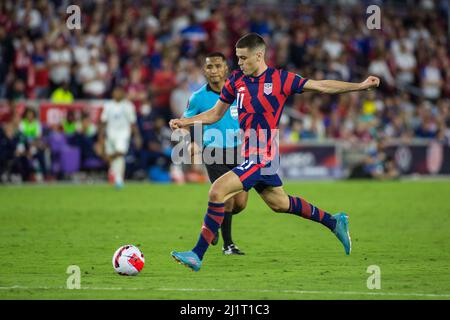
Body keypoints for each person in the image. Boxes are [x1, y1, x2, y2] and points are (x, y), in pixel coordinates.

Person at [169, 33, 380, 271]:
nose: (238, 63)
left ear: (259, 55)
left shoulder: (281, 79)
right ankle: (334, 222)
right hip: (249, 153)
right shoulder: (236, 80)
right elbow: (215, 114)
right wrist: (185, 122)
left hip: (263, 155)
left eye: (243, 58)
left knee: (217, 191)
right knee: (279, 203)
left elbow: (321, 86)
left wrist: (360, 86)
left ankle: (197, 254)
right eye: (237, 58)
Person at [182, 52, 248, 255]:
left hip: (240, 151)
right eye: (209, 67)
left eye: (217, 66)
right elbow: (187, 121)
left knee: (240, 204)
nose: (213, 71)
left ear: (226, 69)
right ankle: (228, 245)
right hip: (214, 152)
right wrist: (191, 142)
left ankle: (214, 221)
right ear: (204, 70)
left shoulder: (240, 92)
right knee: (226, 198)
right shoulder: (198, 98)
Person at [99, 86, 141, 189]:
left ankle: (116, 176)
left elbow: (133, 123)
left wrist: (137, 136)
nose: (117, 94)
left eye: (119, 92)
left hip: (123, 134)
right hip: (110, 134)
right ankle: (116, 177)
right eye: (115, 91)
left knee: (120, 152)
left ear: (123, 93)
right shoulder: (108, 105)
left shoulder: (128, 106)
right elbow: (103, 122)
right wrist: (100, 136)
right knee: (117, 158)